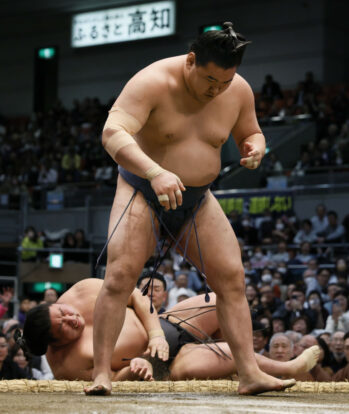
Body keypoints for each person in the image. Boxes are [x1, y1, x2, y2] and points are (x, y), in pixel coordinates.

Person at [87, 21, 295, 396]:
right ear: (191, 61)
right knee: (119, 279)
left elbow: (251, 131)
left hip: (198, 197)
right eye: (210, 81)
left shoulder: (238, 90)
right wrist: (154, 172)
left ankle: (249, 373)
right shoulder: (151, 82)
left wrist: (255, 145)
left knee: (232, 278)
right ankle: (101, 374)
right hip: (142, 190)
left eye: (225, 83)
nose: (217, 91)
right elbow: (112, 133)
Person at [21, 279, 318, 384]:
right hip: (165, 365)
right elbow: (107, 379)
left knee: (222, 300)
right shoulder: (66, 365)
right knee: (229, 353)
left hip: (165, 323)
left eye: (62, 313)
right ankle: (285, 367)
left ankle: (238, 369)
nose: (70, 319)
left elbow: (136, 296)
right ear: (54, 345)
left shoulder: (82, 293)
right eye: (64, 328)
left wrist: (156, 334)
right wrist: (132, 370)